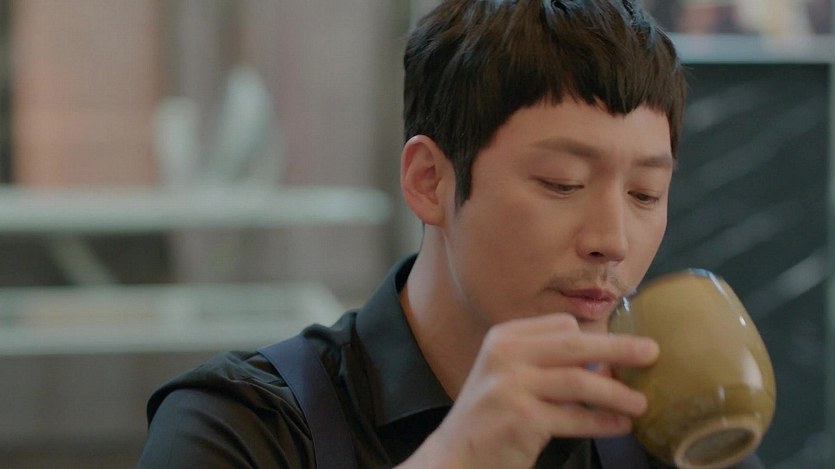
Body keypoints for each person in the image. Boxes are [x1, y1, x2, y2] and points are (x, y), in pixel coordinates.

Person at [138, 0, 764, 467]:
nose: (613, 241)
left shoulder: (662, 429)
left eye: (645, 194)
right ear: (429, 181)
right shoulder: (242, 426)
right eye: (563, 183)